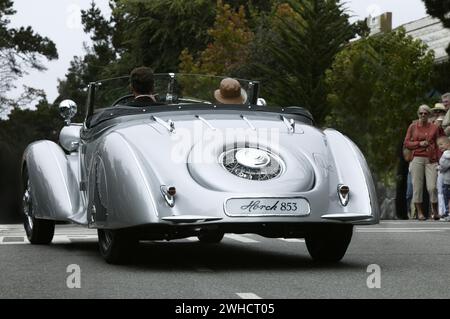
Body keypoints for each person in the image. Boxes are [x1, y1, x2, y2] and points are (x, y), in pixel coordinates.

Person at [404, 104, 443, 220]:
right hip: (417, 158)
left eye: (425, 113)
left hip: (431, 159)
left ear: (429, 115)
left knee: (432, 187)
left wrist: (439, 159)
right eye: (421, 113)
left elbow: (440, 142)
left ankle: (435, 211)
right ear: (418, 114)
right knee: (417, 187)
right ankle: (420, 212)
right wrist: (418, 144)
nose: (423, 115)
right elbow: (406, 143)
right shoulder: (412, 127)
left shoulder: (434, 127)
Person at [437, 136, 450, 221]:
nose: (440, 147)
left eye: (441, 144)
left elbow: (444, 166)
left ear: (448, 144)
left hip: (448, 181)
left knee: (447, 197)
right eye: (438, 145)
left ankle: (448, 213)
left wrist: (438, 167)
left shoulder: (446, 155)